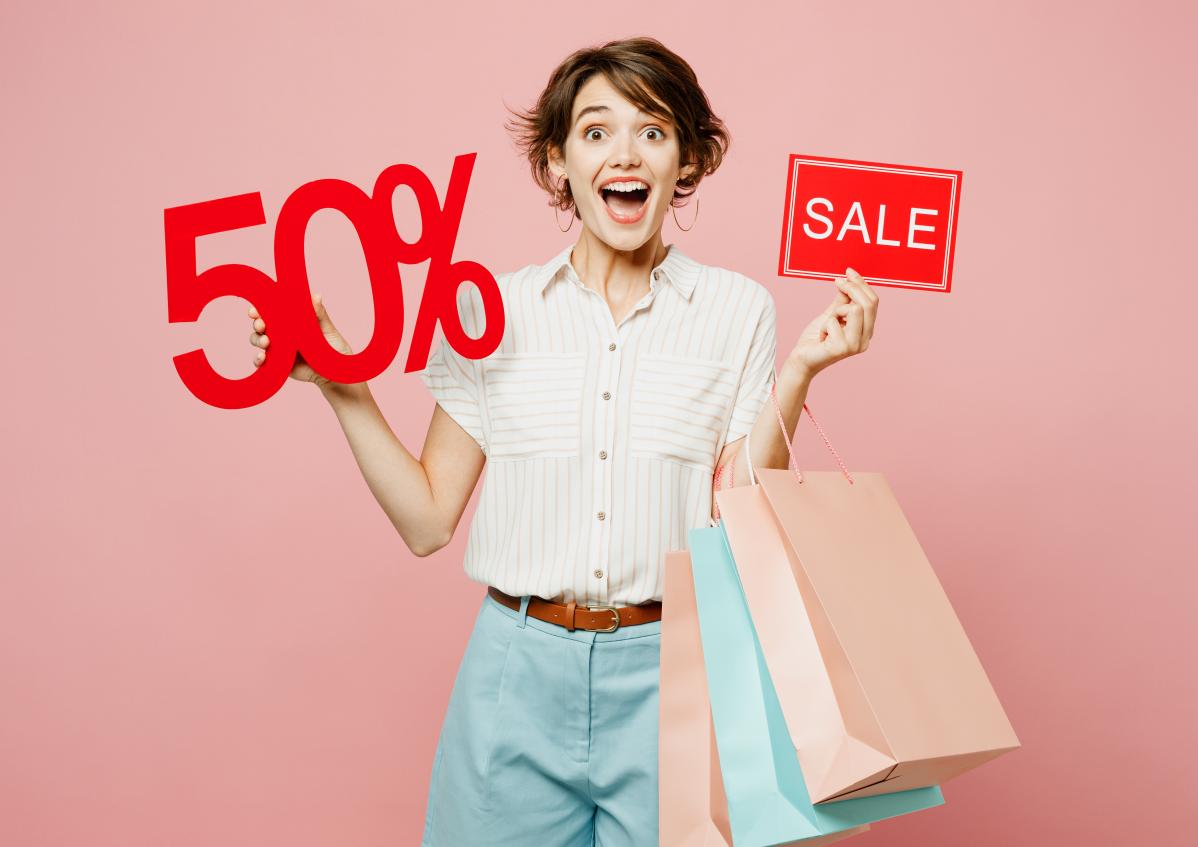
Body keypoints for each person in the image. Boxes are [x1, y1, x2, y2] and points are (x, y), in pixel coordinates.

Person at [247, 35, 877, 847]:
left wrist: (801, 372)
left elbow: (739, 522)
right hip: (515, 671)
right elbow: (427, 520)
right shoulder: (487, 310)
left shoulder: (736, 311)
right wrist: (346, 393)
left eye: (653, 131)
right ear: (558, 163)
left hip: (670, 674)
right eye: (596, 130)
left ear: (685, 162)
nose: (627, 152)